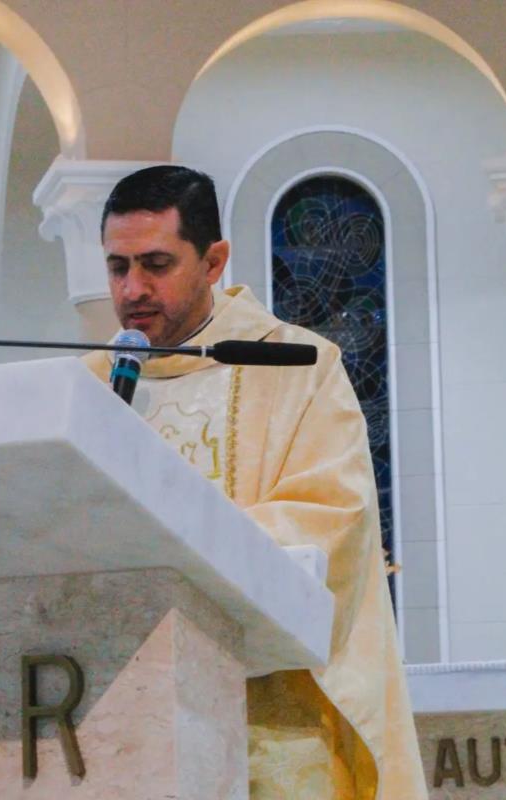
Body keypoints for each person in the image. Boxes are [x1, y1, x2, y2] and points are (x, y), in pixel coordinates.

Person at [83, 165, 427, 799]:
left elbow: (333, 523)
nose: (132, 288)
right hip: (118, 716)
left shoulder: (296, 365)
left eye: (156, 263)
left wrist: (168, 545)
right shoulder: (89, 386)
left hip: (273, 716)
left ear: (214, 261)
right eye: (117, 266)